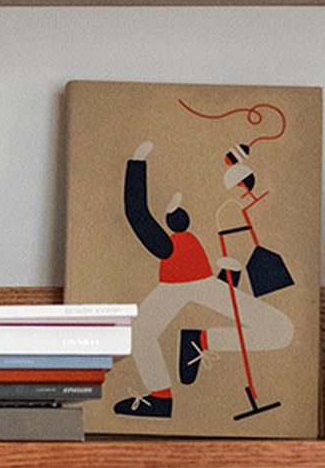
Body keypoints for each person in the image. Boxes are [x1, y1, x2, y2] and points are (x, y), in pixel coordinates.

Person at [114, 139, 295, 422]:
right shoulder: (170, 246)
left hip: (202, 284)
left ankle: (199, 342)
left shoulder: (179, 245)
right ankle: (161, 396)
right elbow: (137, 214)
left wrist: (138, 161)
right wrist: (137, 164)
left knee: (281, 329)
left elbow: (137, 213)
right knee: (140, 333)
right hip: (179, 288)